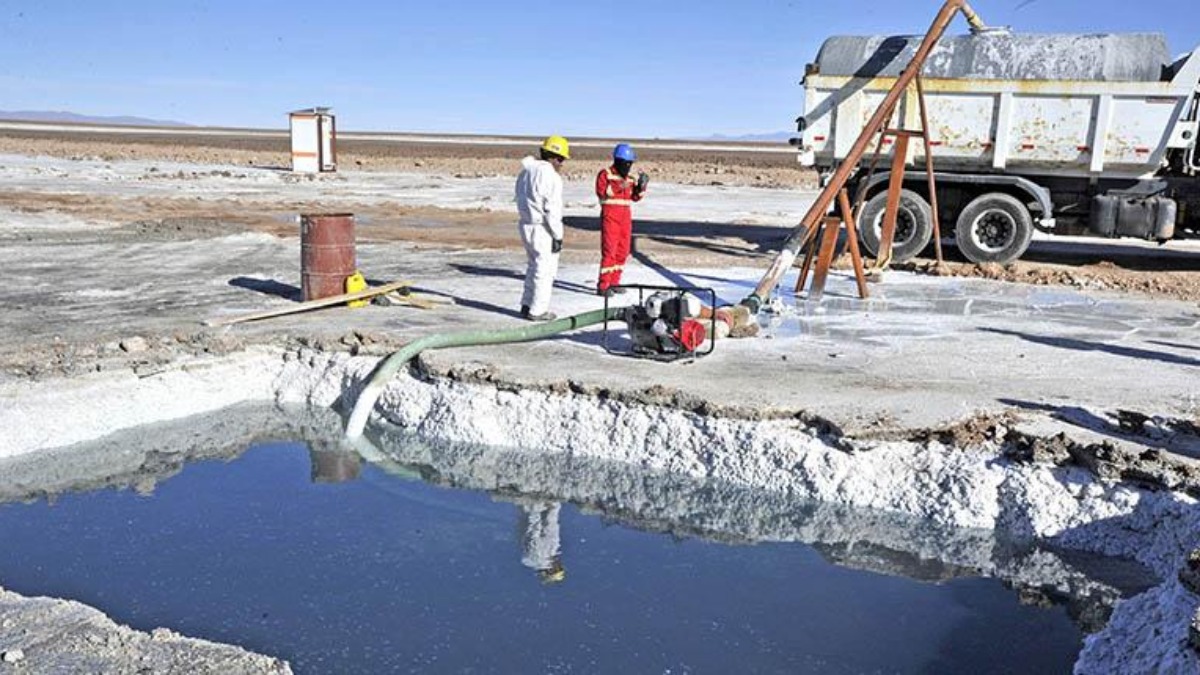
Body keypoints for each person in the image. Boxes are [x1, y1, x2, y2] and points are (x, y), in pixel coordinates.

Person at [515, 135, 569, 321]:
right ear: (553, 156)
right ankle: (537, 310)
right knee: (544, 270)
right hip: (542, 228)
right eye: (561, 159)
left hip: (525, 225)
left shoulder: (526, 172)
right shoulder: (550, 176)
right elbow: (552, 210)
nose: (562, 164)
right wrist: (558, 236)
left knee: (533, 266)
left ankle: (526, 303)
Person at [595, 143, 649, 296]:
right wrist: (620, 186)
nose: (628, 167)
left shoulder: (630, 179)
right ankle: (603, 285)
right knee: (609, 252)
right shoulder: (605, 174)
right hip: (610, 219)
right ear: (618, 161)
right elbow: (601, 192)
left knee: (623, 251)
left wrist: (641, 187)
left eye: (629, 164)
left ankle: (614, 282)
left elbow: (635, 197)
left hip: (625, 220)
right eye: (626, 164)